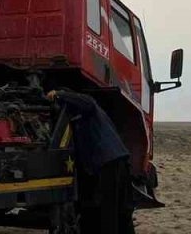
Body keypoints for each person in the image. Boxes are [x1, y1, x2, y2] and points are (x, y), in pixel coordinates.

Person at [47, 89, 135, 234]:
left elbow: (87, 101)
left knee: (108, 214)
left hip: (107, 163)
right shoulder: (92, 116)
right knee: (121, 214)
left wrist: (58, 94)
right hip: (117, 161)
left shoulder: (87, 107)